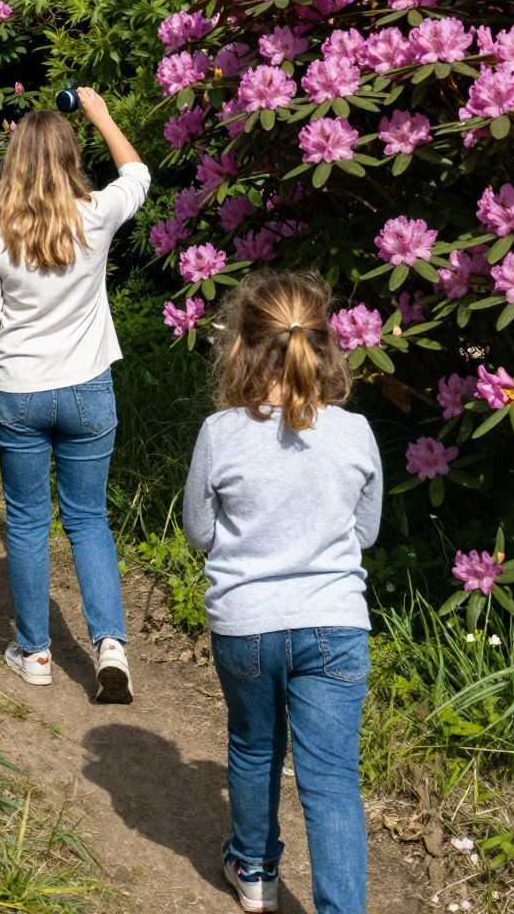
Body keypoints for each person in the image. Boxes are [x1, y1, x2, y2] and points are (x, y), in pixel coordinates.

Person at [183, 270, 383, 914]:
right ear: (325, 348)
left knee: (253, 746)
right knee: (331, 782)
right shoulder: (355, 433)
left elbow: (198, 531)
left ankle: (256, 873)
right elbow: (367, 532)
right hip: (335, 621)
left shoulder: (221, 433)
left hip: (247, 623)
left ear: (240, 345)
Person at [0, 88, 149, 700]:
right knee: (89, 519)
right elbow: (138, 174)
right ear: (71, 156)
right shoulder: (94, 213)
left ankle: (37, 652)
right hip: (87, 388)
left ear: (13, 161)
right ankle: (111, 646)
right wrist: (101, 112)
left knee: (25, 521)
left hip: (18, 390)